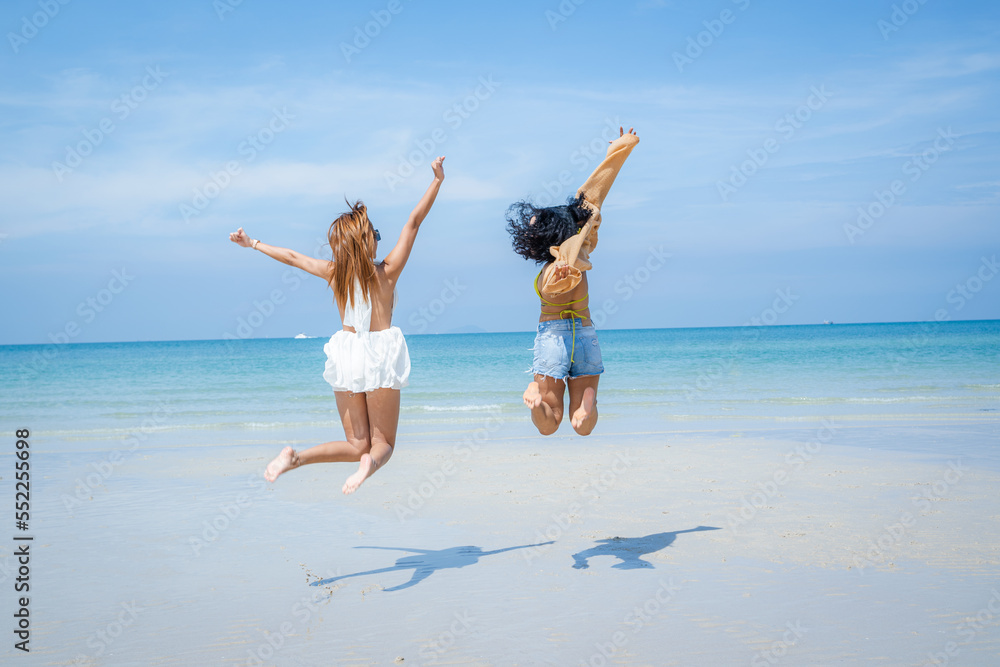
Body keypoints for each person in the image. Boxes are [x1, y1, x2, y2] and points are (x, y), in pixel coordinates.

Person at [228, 156, 446, 494]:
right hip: (379, 352)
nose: (378, 237)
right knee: (381, 445)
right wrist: (436, 181)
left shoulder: (335, 274)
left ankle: (295, 457)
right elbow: (413, 223)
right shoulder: (386, 272)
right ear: (367, 241)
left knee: (356, 442)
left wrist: (252, 243)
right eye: (375, 233)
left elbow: (293, 257)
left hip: (346, 354)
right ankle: (368, 467)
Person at [506, 127, 639, 436]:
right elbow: (594, 195)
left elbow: (552, 285)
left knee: (549, 424)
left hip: (552, 337)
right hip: (586, 334)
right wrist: (619, 149)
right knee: (583, 428)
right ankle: (587, 403)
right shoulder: (580, 254)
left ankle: (537, 399)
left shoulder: (553, 270)